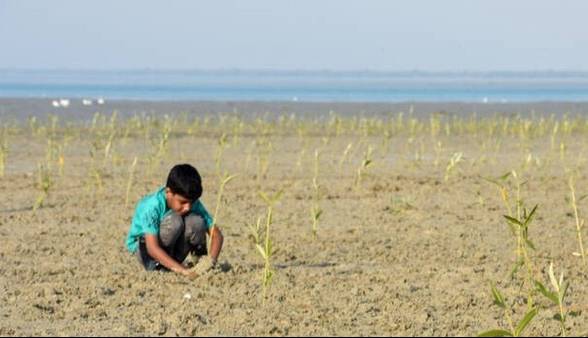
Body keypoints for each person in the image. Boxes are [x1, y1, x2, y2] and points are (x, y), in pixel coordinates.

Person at [125, 164, 223, 278]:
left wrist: (210, 262)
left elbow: (216, 235)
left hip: (171, 249)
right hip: (146, 250)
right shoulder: (152, 206)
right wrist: (183, 271)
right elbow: (152, 248)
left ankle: (198, 262)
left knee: (197, 222)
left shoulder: (190, 203)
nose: (188, 207)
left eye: (191, 202)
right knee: (175, 221)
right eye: (183, 202)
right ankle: (159, 267)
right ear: (168, 192)